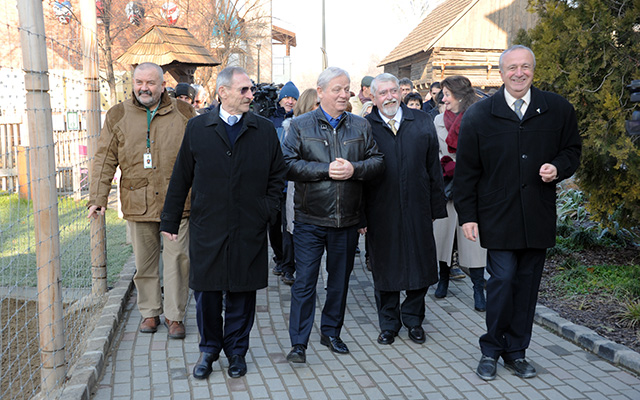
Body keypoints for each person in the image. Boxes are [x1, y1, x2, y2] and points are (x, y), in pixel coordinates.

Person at [453, 45, 581, 381]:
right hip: (498, 216)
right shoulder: (481, 115)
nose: (519, 73)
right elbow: (466, 171)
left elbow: (572, 150)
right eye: (512, 68)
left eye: (525, 67)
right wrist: (468, 216)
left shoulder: (556, 109)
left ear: (534, 70)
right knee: (503, 281)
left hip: (537, 215)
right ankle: (491, 349)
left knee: (526, 288)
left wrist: (559, 167)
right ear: (501, 73)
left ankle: (517, 352)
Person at [159, 66, 286, 380]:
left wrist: (266, 211)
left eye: (251, 89)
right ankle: (209, 349)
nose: (250, 95)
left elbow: (277, 175)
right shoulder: (199, 128)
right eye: (243, 90)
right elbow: (181, 177)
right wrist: (170, 219)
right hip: (209, 226)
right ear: (223, 93)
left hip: (249, 226)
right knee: (208, 293)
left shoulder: (264, 129)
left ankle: (237, 352)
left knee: (243, 293)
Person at [282, 67, 384, 363]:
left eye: (346, 89)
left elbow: (377, 161)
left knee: (339, 281)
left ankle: (331, 332)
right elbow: (287, 164)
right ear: (321, 91)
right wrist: (324, 170)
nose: (343, 94)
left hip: (346, 220)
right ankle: (298, 343)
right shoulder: (300, 125)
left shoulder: (360, 126)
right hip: (310, 219)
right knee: (305, 283)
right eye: (337, 89)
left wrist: (356, 169)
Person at [88, 62, 195, 339]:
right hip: (138, 201)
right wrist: (98, 197)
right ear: (133, 83)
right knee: (145, 262)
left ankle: (175, 316)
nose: (144, 88)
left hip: (178, 201)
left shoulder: (183, 112)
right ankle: (150, 312)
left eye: (150, 83)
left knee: (178, 261)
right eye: (139, 82)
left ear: (162, 86)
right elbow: (104, 158)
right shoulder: (118, 114)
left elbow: (200, 155)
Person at [362, 73, 446, 346]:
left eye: (393, 91)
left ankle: (413, 320)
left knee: (419, 265)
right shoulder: (365, 127)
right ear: (372, 97)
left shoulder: (420, 121)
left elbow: (433, 167)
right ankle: (389, 324)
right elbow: (359, 177)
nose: (389, 96)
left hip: (417, 206)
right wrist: (360, 216)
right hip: (380, 210)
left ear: (400, 92)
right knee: (385, 268)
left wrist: (436, 206)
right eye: (382, 92)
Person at [432, 75, 487, 310]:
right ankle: (442, 279)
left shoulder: (478, 117)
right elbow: (434, 152)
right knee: (443, 238)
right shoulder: (437, 121)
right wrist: (444, 167)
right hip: (446, 186)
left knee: (473, 242)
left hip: (472, 188)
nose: (442, 99)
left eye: (447, 94)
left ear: (460, 96)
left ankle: (478, 289)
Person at [280, 88, 321, 286]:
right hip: (295, 189)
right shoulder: (292, 129)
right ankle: (289, 267)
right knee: (292, 231)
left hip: (318, 193)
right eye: (317, 105)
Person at [269, 81, 300, 277]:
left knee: (288, 227)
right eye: (286, 97)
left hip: (290, 185)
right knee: (273, 226)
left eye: (293, 98)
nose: (289, 101)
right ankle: (279, 258)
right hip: (273, 183)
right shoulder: (271, 121)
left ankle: (288, 264)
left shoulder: (300, 120)